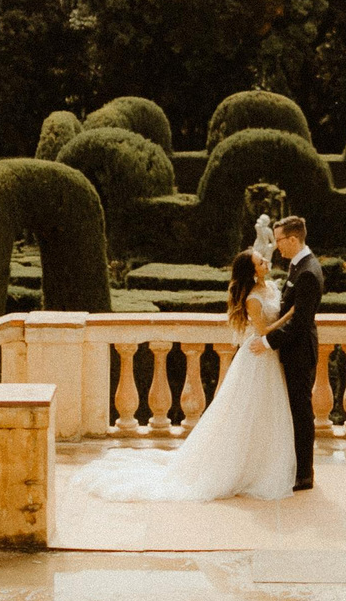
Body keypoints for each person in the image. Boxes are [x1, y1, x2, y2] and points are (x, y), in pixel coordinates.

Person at [76, 221, 300, 502]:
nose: (266, 261)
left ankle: (263, 463)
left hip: (269, 356)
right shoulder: (253, 299)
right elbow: (264, 330)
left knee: (266, 413)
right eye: (260, 261)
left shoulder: (271, 287)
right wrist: (290, 315)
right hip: (257, 357)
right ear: (252, 271)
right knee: (249, 412)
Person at [269, 214, 323, 491]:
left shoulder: (308, 272)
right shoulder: (298, 265)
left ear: (292, 239)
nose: (276, 245)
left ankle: (304, 474)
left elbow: (300, 321)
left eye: (279, 240)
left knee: (301, 412)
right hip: (294, 350)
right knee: (295, 410)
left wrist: (267, 341)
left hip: (299, 352)